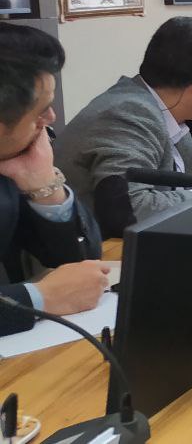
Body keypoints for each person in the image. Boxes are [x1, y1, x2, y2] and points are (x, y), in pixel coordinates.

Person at [56, 17, 192, 237]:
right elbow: (130, 208)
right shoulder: (127, 114)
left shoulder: (167, 110)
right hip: (97, 252)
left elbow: (185, 185)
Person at [0, 24, 108, 337]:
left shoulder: (11, 162)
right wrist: (39, 299)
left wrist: (44, 186)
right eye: (41, 111)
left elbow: (81, 264)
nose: (51, 119)